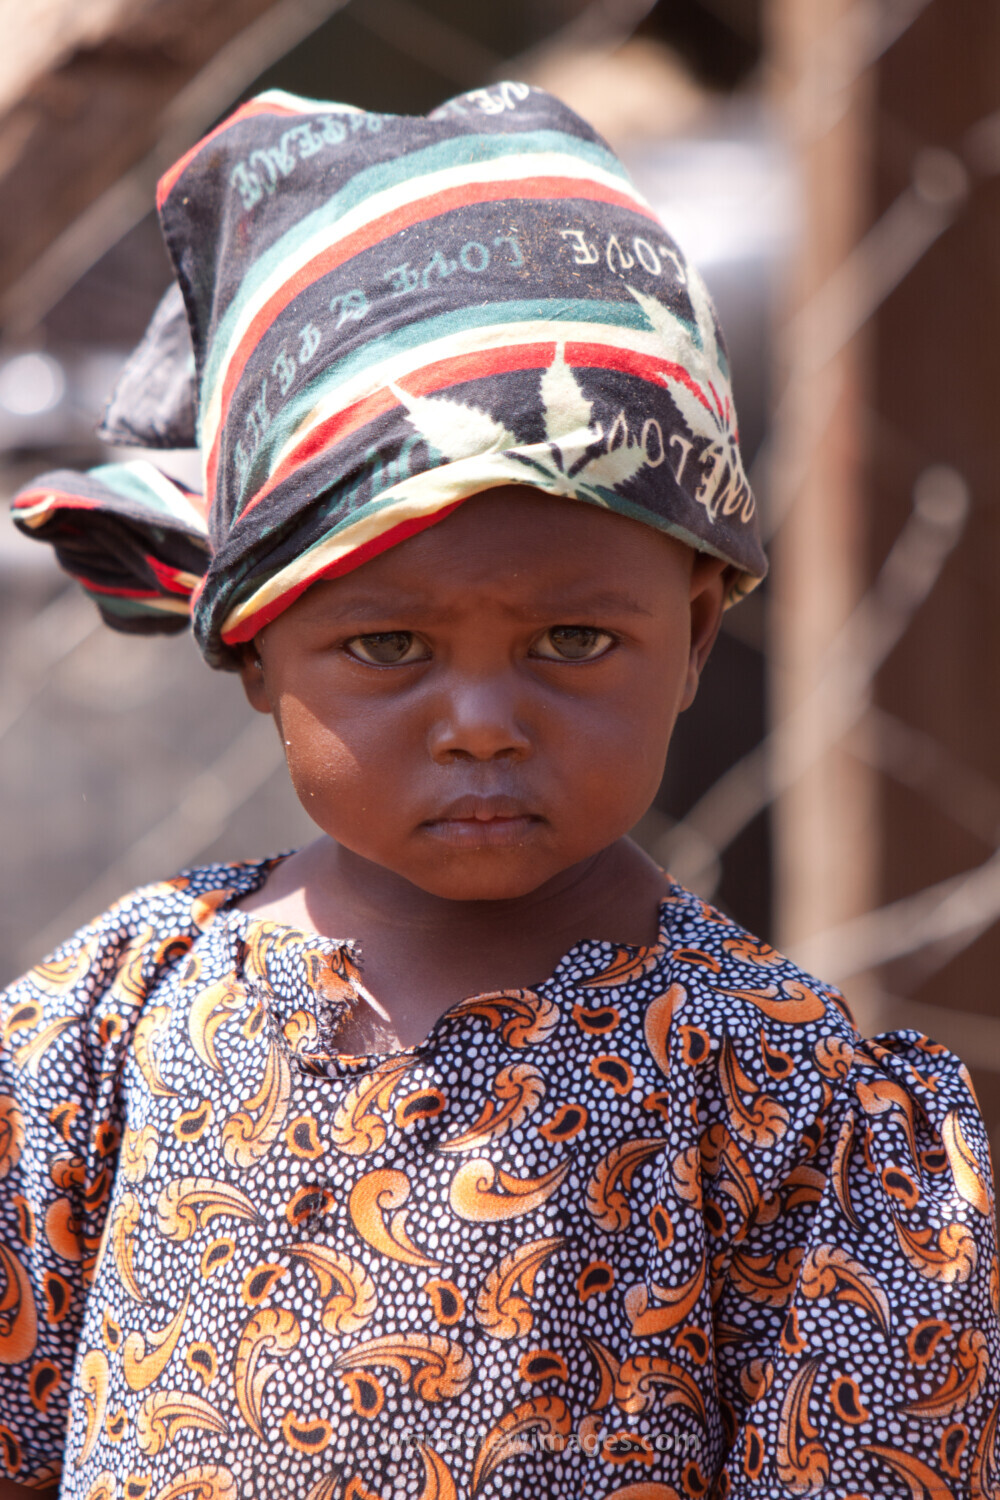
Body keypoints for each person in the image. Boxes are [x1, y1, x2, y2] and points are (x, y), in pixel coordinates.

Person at [1, 83, 997, 1500]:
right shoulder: (106, 1042)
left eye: (573, 642)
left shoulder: (789, 1105)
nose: (481, 723)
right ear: (254, 656)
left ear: (701, 633)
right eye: (389, 646)